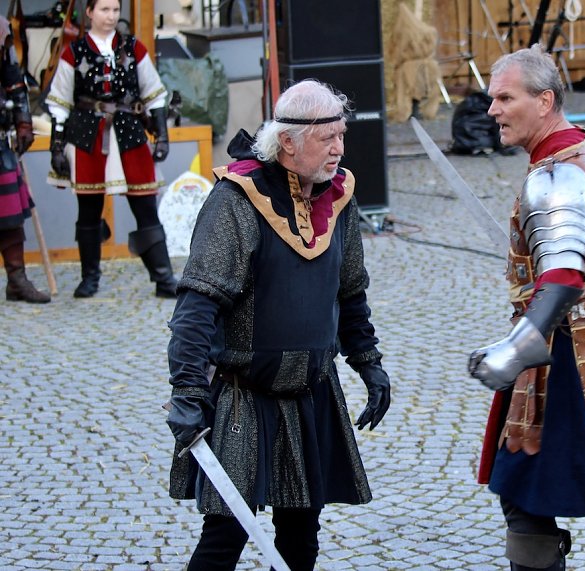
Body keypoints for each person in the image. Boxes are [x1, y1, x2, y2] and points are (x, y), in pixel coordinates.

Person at [164, 79, 392, 571]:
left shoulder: (338, 199)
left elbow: (349, 291)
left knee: (301, 535)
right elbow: (198, 302)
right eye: (326, 137)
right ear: (287, 141)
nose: (339, 148)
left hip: (310, 392)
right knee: (226, 532)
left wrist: (368, 363)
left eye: (342, 134)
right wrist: (187, 391)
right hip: (246, 394)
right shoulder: (238, 200)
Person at [470, 44, 585, 571]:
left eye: (505, 98)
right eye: (492, 98)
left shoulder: (557, 176)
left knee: (524, 495)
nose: (492, 110)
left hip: (567, 349)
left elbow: (564, 276)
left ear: (545, 100)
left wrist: (515, 349)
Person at [45, 0, 177, 298]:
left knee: (145, 205)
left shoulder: (133, 48)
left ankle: (163, 278)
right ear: (89, 12)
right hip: (87, 135)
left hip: (129, 131)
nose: (111, 16)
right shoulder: (73, 52)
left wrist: (163, 137)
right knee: (89, 209)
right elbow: (59, 102)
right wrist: (56, 148)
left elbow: (154, 94)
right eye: (104, 10)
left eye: (116, 10)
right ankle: (89, 278)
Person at [0, 16, 49, 304]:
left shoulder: (1, 29)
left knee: (9, 215)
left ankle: (16, 280)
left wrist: (24, 123)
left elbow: (14, 83)